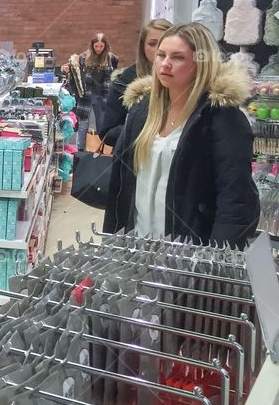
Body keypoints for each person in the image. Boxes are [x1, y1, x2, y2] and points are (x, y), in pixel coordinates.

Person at [104, 23, 259, 247]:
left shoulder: (223, 119)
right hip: (136, 248)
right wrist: (111, 245)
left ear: (201, 64)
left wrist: (214, 262)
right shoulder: (142, 112)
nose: (165, 64)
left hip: (190, 257)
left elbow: (235, 200)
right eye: (161, 55)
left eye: (178, 57)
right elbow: (120, 187)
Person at [99, 18, 173, 147]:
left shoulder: (184, 80)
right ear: (143, 47)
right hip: (133, 161)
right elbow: (107, 134)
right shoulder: (124, 82)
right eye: (152, 43)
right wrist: (149, 126)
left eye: (165, 43)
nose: (159, 50)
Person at [63, 33, 119, 150]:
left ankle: (104, 150)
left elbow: (114, 77)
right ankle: (80, 150)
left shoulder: (111, 59)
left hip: (103, 96)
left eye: (101, 46)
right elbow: (72, 68)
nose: (98, 49)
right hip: (86, 95)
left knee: (102, 124)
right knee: (83, 125)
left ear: (105, 46)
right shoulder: (83, 57)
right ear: (92, 46)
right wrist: (65, 69)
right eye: (96, 46)